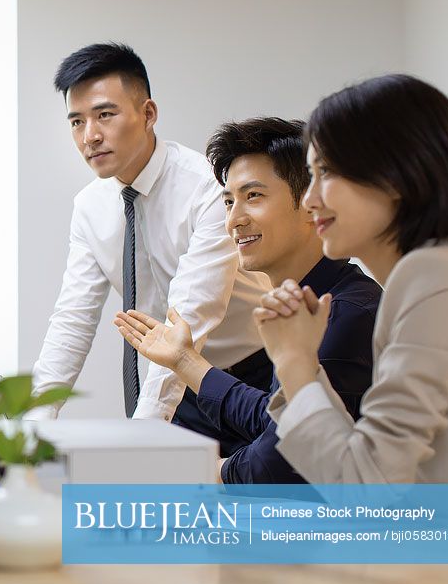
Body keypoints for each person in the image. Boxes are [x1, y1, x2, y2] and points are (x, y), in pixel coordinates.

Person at [114, 117, 381, 482]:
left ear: (311, 204)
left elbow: (282, 462)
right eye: (228, 201)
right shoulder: (305, 305)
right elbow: (275, 419)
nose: (234, 220)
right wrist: (183, 359)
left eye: (252, 196)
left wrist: (205, 474)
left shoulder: (344, 314)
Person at [33, 43, 271, 436]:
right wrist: (34, 421)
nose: (90, 136)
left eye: (105, 115)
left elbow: (192, 311)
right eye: (76, 122)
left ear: (148, 114)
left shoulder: (207, 188)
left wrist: (144, 431)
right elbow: (73, 318)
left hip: (250, 376)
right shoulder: (90, 206)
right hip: (176, 383)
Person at [255, 74, 448, 483]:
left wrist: (294, 361)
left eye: (326, 172)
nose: (310, 199)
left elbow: (363, 486)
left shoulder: (433, 277)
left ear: (396, 173)